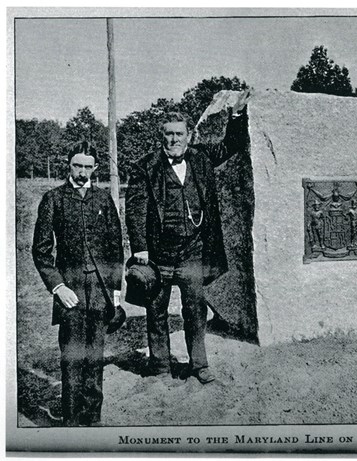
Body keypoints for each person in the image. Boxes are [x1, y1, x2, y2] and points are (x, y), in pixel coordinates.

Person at [125, 107, 245, 384]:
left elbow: (231, 145)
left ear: (189, 135)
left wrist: (236, 117)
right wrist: (140, 247)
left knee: (195, 309)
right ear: (161, 137)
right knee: (156, 312)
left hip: (192, 251)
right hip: (158, 255)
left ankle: (199, 365)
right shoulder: (145, 166)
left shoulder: (200, 158)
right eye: (169, 134)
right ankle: (160, 366)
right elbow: (135, 210)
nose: (174, 139)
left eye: (180, 133)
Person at [32, 141, 124, 426]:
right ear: (68, 166)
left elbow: (115, 248)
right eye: (77, 165)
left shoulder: (103, 199)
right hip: (70, 292)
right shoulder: (53, 199)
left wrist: (116, 292)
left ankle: (93, 416)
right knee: (72, 357)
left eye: (88, 166)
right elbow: (41, 251)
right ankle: (71, 419)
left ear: (95, 168)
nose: (82, 172)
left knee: (95, 356)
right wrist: (58, 287)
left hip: (99, 291)